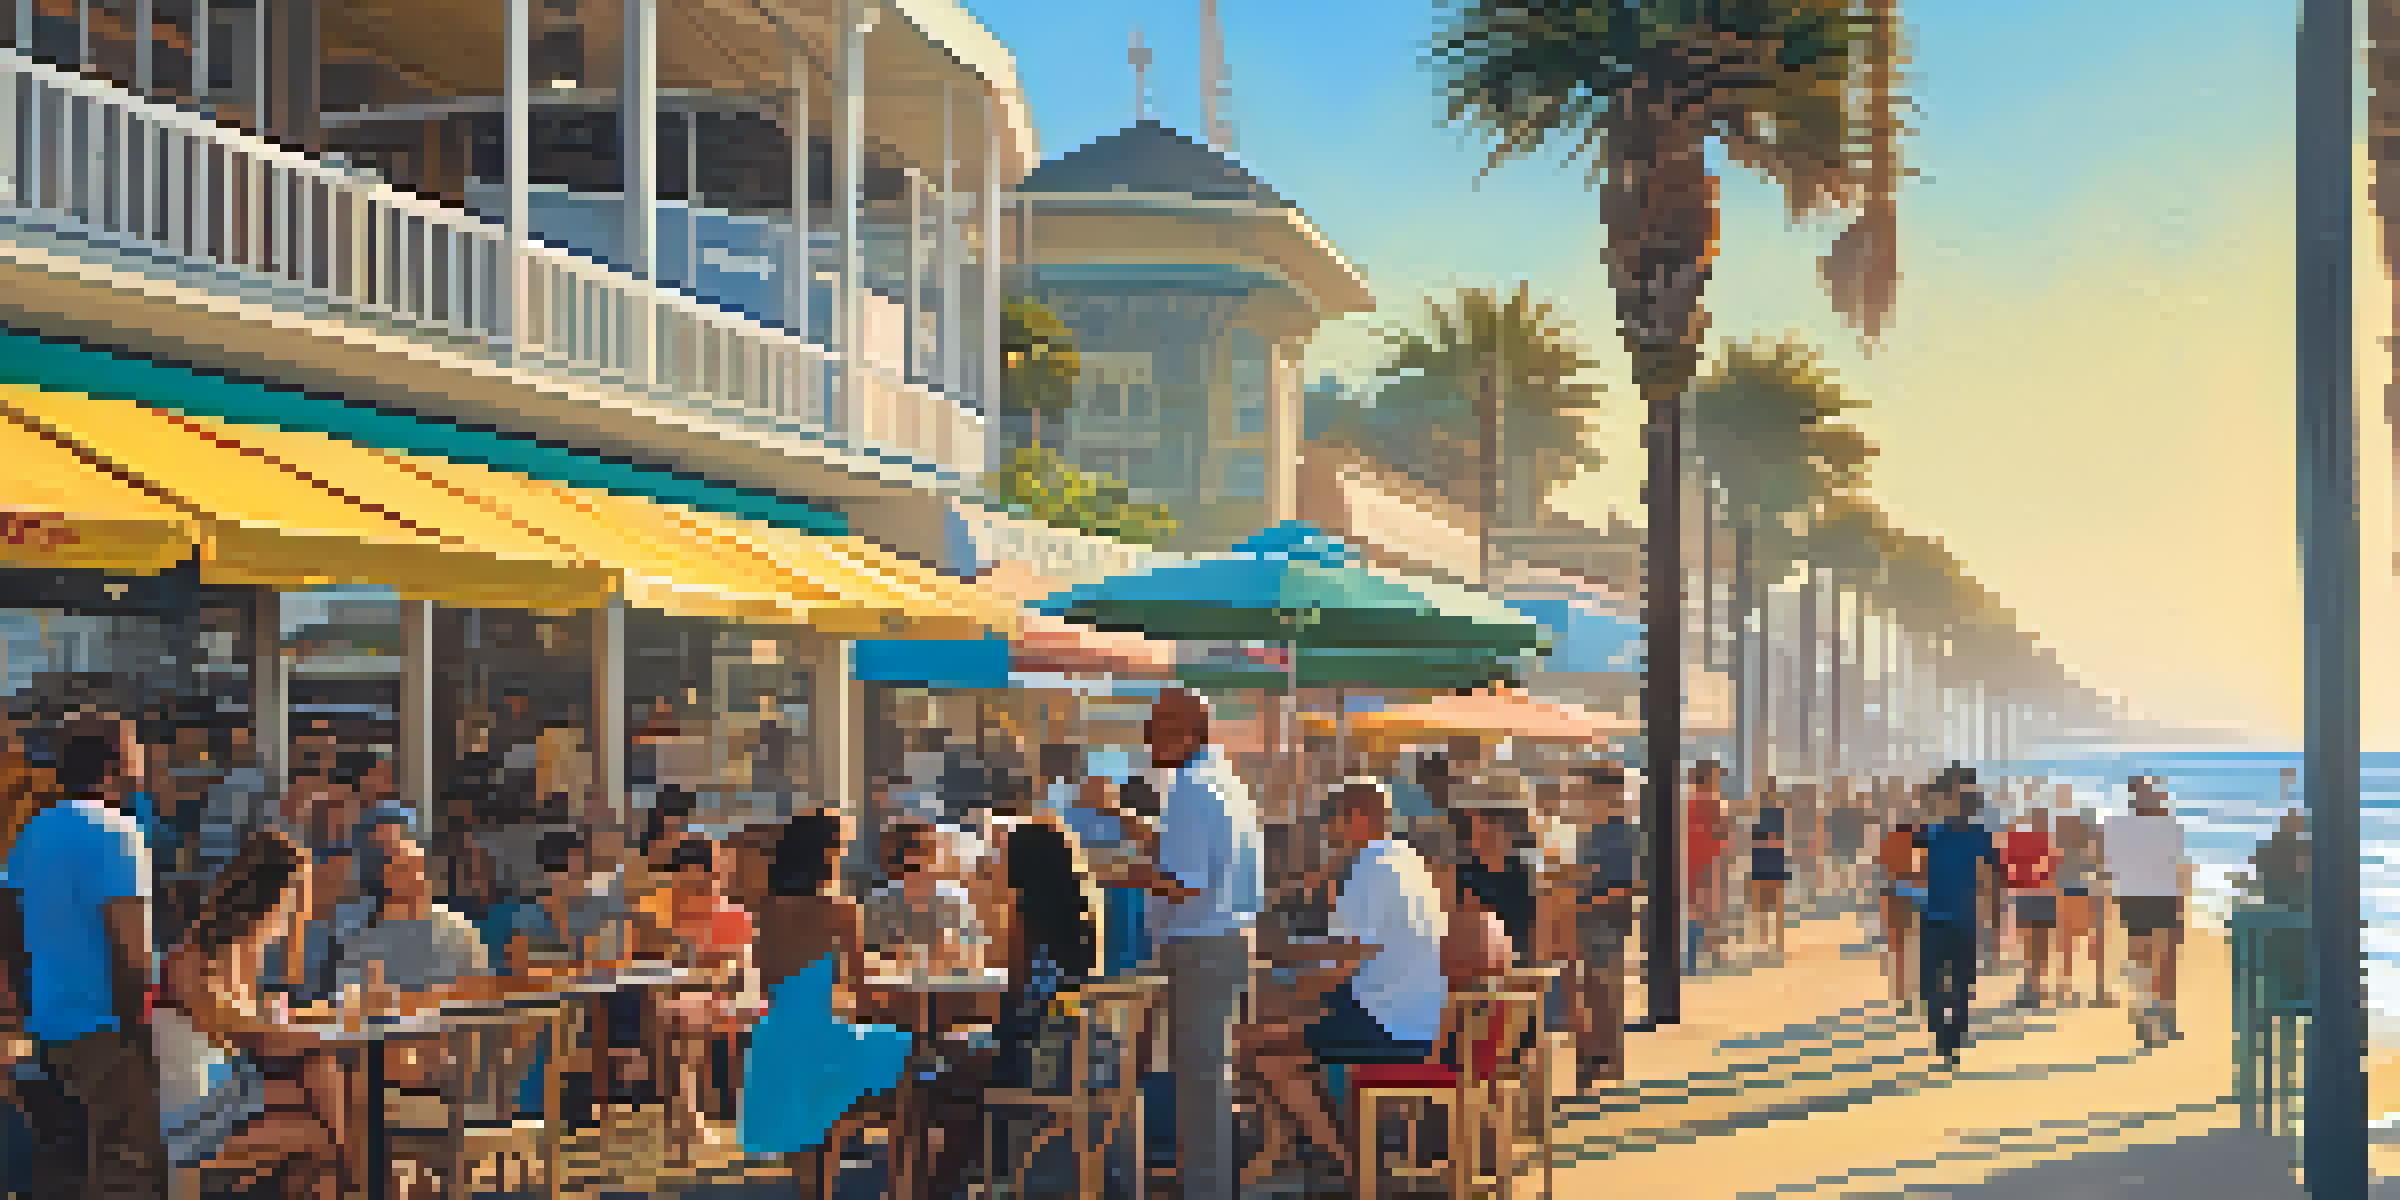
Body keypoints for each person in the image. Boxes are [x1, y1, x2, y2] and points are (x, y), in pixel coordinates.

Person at [1245, 781, 1442, 1188]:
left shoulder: (1371, 869)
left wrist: (1287, 982)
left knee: (1259, 1050)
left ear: (1357, 819)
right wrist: (1288, 961)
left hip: (1386, 1027)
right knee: (1277, 1030)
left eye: (1331, 822)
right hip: (1417, 1019)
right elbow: (1351, 949)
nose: (1328, 833)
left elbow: (1349, 957)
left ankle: (1346, 1164)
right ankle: (1303, 1152)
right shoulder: (1408, 861)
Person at [5, 729, 167, 1200]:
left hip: (49, 1028)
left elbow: (9, 929)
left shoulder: (32, 833)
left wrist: (28, 1010)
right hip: (105, 1028)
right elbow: (129, 942)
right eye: (136, 758)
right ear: (113, 769)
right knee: (128, 1168)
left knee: (64, 1165)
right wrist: (140, 1034)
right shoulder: (118, 831)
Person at [1119, 689, 1264, 1200]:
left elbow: (1184, 884)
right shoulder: (1227, 784)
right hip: (1224, 942)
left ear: (1187, 731)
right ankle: (1209, 1184)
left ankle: (1205, 1189)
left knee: (1200, 1084)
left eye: (1155, 725)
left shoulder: (1188, 789)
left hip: (1199, 945)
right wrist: (1133, 829)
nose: (1145, 736)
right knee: (1208, 1079)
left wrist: (1123, 876)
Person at [154, 830, 341, 1200]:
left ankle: (361, 1181)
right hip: (196, 1108)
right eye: (293, 899)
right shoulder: (194, 956)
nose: (296, 911)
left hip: (225, 1089)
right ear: (268, 897)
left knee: (333, 1091)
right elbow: (229, 1027)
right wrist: (307, 1031)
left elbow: (247, 1027)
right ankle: (368, 1183)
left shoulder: (241, 951)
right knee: (328, 1118)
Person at [739, 814, 911, 1184]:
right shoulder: (840, 910)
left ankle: (814, 1173)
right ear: (826, 857)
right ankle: (903, 1175)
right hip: (825, 1044)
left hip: (776, 1042)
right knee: (916, 1054)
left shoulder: (762, 910)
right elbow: (864, 997)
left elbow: (766, 976)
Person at [1914, 766, 2002, 1068]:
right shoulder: (1939, 834)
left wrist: (1994, 922)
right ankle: (1950, 1038)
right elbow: (1992, 883)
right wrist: (1994, 922)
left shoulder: (1943, 834)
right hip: (1952, 920)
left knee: (1947, 986)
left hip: (1949, 920)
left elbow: (1991, 882)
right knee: (1951, 987)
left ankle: (1948, 1037)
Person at [1565, 763, 1639, 1087]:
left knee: (1607, 994)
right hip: (1586, 921)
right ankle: (1597, 1058)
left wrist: (1583, 903)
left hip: (1607, 921)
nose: (1583, 799)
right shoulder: (1589, 833)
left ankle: (1612, 1062)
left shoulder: (1621, 834)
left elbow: (1624, 887)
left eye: (1588, 792)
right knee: (1592, 993)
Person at [2104, 776, 2191, 1045]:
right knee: (2158, 962)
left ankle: (2152, 1018)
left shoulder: (2116, 826)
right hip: (2154, 896)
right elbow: (2179, 868)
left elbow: (2108, 865)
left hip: (2139, 896)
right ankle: (2159, 1018)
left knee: (2148, 961)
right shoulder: (2166, 825)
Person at [861, 821, 986, 973]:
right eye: (928, 856)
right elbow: (872, 965)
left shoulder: (951, 903)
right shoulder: (878, 906)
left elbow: (971, 958)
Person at [2001, 808, 2061, 1009]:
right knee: (2035, 945)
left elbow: (2007, 868)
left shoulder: (2021, 838)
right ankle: (2033, 986)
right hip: (2034, 896)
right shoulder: (2036, 840)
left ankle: (2033, 987)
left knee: (2034, 945)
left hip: (2033, 896)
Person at [1877, 804, 1925, 1008]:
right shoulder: (1919, 842)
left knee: (1899, 948)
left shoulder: (1889, 841)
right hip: (1914, 896)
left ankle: (1901, 992)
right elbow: (1922, 871)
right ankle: (1913, 991)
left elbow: (1885, 870)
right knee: (1917, 946)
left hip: (1894, 895)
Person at [1687, 762, 1732, 969]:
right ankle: (1713, 954)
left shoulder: (1688, 803)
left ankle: (1692, 957)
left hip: (1692, 863)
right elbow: (1723, 833)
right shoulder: (1713, 802)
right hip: (1710, 862)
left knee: (1695, 910)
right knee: (1712, 911)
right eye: (1716, 777)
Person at [1747, 795, 1791, 961]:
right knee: (1770, 909)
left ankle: (1770, 945)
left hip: (1766, 870)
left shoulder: (1760, 826)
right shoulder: (1775, 826)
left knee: (1767, 910)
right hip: (1768, 870)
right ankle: (1773, 945)